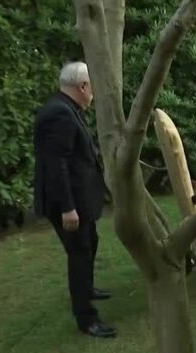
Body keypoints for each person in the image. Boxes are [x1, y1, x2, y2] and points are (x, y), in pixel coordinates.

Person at [33, 61, 116, 338]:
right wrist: (68, 209)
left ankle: (88, 288)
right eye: (91, 87)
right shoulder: (59, 114)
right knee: (79, 254)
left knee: (90, 243)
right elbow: (56, 166)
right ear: (82, 86)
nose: (92, 93)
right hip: (69, 203)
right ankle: (86, 318)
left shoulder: (68, 108)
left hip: (81, 199)